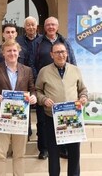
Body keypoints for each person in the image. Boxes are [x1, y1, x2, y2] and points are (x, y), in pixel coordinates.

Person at [35, 42, 88, 176]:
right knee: (53, 153)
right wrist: (43, 99)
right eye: (57, 52)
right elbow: (38, 91)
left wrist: (83, 98)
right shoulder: (44, 71)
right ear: (52, 55)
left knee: (74, 153)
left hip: (72, 118)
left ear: (67, 53)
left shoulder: (75, 70)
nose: (61, 55)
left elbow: (83, 89)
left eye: (63, 51)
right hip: (52, 118)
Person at [0, 39, 37, 176]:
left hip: (20, 119)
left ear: (19, 52)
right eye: (9, 51)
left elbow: (32, 89)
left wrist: (33, 97)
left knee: (20, 155)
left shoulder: (27, 70)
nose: (12, 53)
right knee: (0, 155)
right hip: (1, 119)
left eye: (14, 50)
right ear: (3, 53)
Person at [30, 16, 77, 160]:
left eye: (53, 25)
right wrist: (41, 78)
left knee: (63, 119)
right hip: (44, 86)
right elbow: (31, 63)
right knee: (43, 121)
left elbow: (73, 62)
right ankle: (44, 149)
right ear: (44, 27)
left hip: (63, 85)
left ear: (57, 26)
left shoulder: (64, 42)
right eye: (48, 25)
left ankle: (63, 148)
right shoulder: (37, 42)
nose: (50, 27)